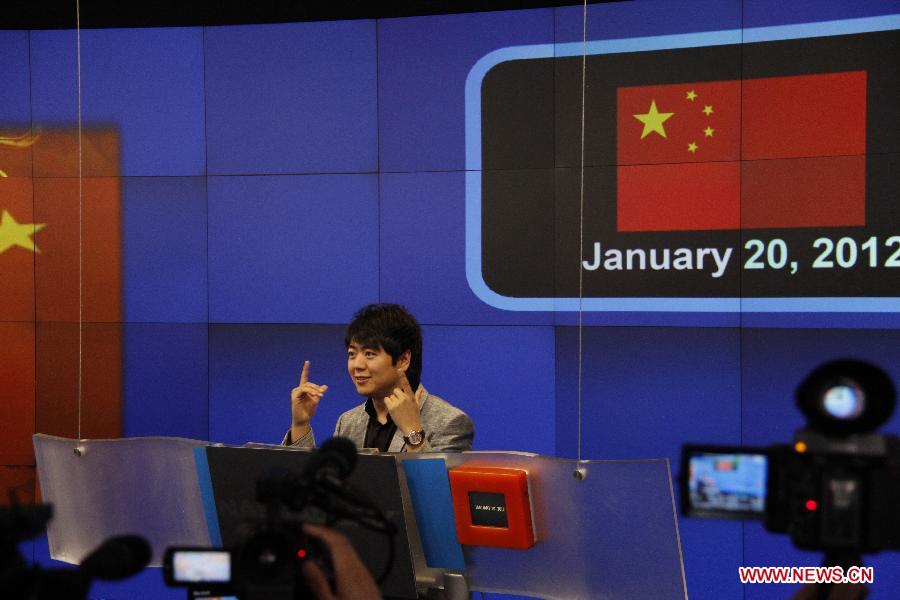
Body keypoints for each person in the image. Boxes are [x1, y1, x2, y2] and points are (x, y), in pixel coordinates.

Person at [283, 303, 474, 453]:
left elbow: (441, 497)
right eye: (352, 354)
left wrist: (412, 433)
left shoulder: (449, 422)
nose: (357, 365)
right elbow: (316, 495)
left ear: (403, 359)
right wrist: (300, 425)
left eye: (369, 354)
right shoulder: (348, 422)